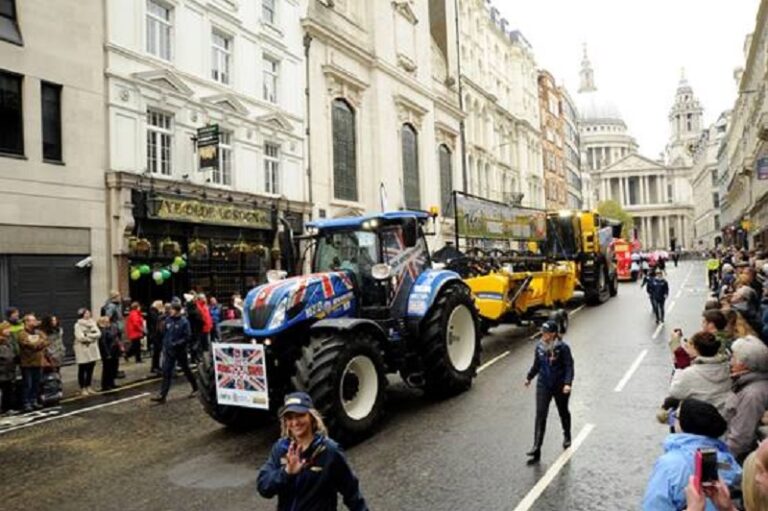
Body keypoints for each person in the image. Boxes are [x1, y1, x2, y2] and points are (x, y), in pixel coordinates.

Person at [257, 392, 368, 511]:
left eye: (300, 415)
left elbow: (351, 493)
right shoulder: (280, 448)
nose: (295, 423)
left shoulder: (330, 451)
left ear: (311, 417)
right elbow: (264, 488)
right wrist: (286, 472)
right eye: (290, 418)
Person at [642, 398, 741, 511]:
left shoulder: (668, 464)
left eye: (676, 415)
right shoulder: (727, 461)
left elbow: (654, 506)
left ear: (685, 424)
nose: (672, 416)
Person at [524, 319, 574, 464]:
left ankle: (567, 435)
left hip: (560, 385)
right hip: (543, 384)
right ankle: (536, 447)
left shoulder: (563, 348)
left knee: (563, 411)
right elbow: (537, 365)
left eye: (545, 332)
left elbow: (569, 366)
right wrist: (529, 377)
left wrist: (567, 383)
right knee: (540, 414)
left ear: (553, 334)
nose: (543, 334)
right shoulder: (539, 347)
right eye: (542, 331)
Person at [724, 336, 768, 463]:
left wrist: (723, 461)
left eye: (734, 358)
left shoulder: (752, 395)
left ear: (744, 365)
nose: (731, 361)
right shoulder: (747, 384)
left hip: (738, 458)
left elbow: (740, 438)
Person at [667, 332, 731, 415]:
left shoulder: (690, 373)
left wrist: (680, 368)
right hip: (720, 416)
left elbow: (674, 392)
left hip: (697, 419)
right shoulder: (726, 367)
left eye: (690, 344)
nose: (686, 346)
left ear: (696, 349)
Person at [151, 303, 198, 404]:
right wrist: (165, 344)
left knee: (186, 370)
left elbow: (187, 337)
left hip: (180, 351)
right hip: (169, 351)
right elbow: (165, 333)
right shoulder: (168, 320)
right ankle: (162, 396)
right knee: (166, 372)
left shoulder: (184, 322)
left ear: (177, 310)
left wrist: (176, 344)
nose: (170, 311)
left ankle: (196, 387)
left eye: (172, 309)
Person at [17, 314, 49, 412]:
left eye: (35, 320)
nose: (35, 322)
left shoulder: (38, 332)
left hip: (38, 362)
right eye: (32, 320)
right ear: (26, 322)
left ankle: (34, 400)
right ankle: (26, 403)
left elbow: (46, 341)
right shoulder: (22, 334)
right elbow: (30, 345)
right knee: (28, 384)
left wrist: (39, 342)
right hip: (27, 363)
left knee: (36, 383)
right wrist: (39, 343)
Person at [74, 308, 102, 396]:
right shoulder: (78, 325)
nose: (88, 314)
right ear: (82, 314)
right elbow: (80, 337)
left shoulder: (92, 323)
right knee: (83, 368)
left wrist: (88, 335)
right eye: (86, 313)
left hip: (92, 348)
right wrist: (91, 337)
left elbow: (98, 333)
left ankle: (89, 386)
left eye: (89, 313)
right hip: (82, 349)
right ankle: (82, 388)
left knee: (90, 368)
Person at [97, 316, 121, 391]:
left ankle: (112, 382)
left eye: (108, 321)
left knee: (114, 367)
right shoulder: (103, 331)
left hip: (114, 350)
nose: (108, 323)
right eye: (106, 321)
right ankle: (105, 384)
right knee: (107, 369)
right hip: (108, 351)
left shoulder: (112, 327)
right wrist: (107, 353)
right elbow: (103, 343)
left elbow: (117, 336)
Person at [0, 319, 16, 412]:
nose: (9, 331)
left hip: (9, 370)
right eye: (6, 329)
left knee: (8, 390)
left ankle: (7, 408)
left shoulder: (9, 341)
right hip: (2, 370)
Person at [147, 300, 163, 375]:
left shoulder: (153, 311)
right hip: (155, 334)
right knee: (156, 351)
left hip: (155, 334)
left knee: (157, 351)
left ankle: (155, 366)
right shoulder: (153, 312)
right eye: (161, 305)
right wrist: (160, 313)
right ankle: (155, 367)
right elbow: (156, 321)